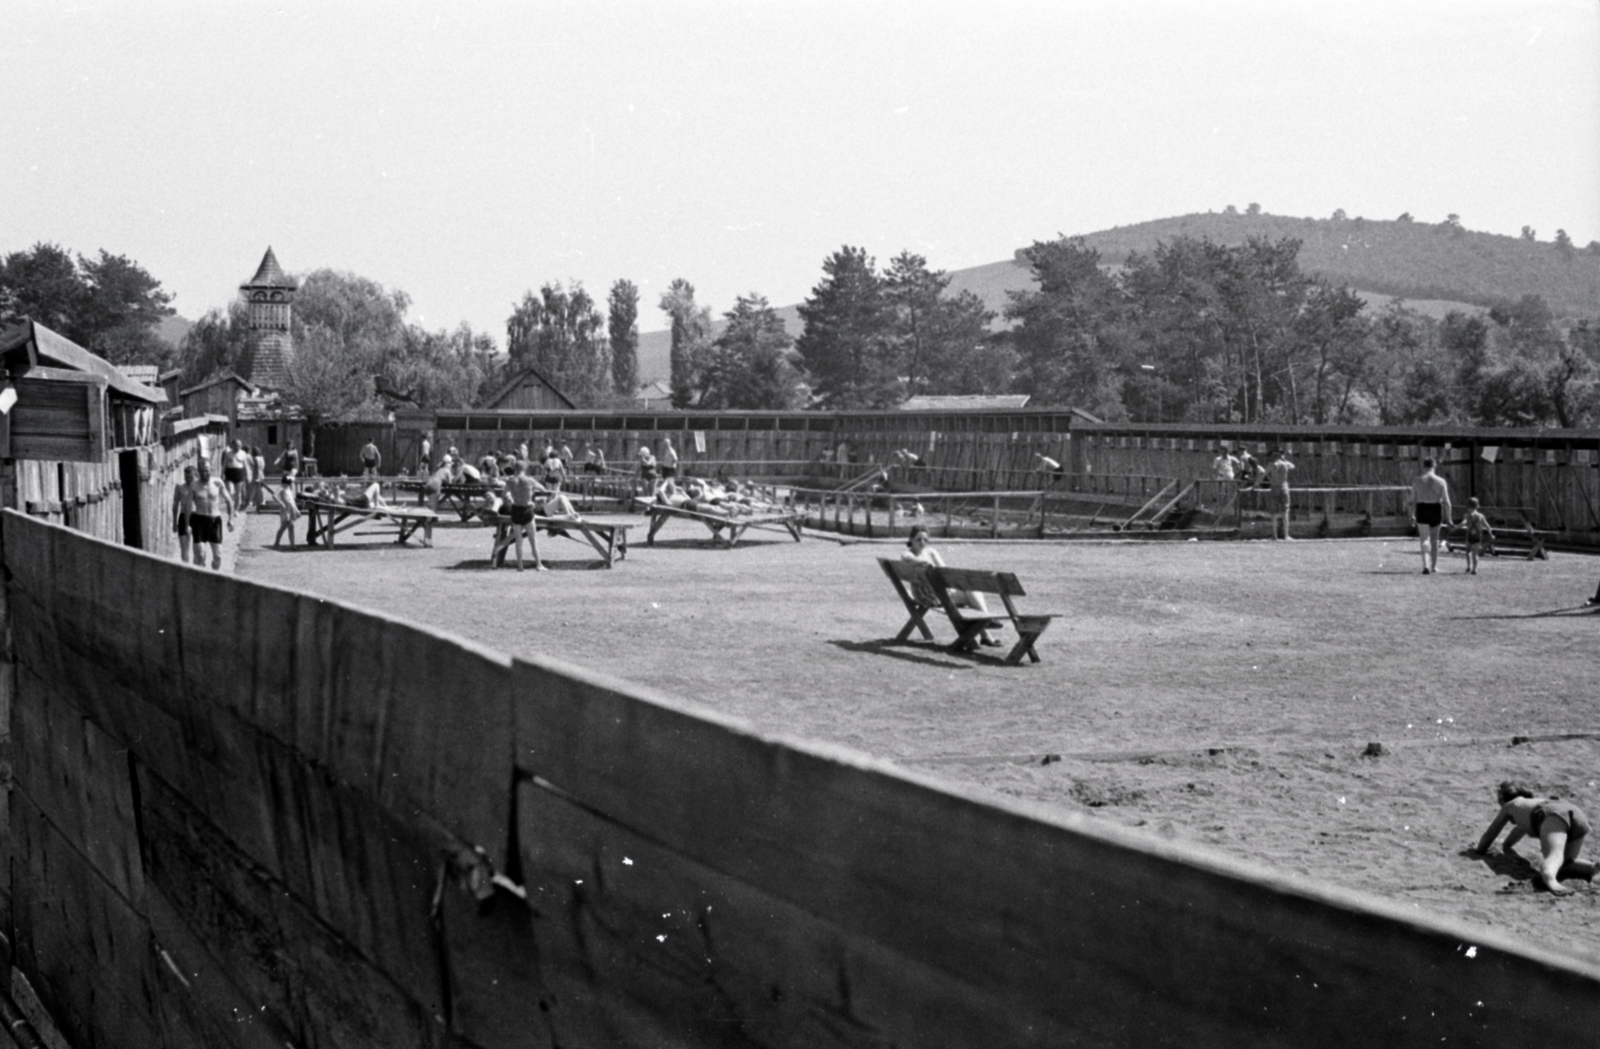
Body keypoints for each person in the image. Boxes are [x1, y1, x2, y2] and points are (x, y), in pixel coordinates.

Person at [1472, 781, 1598, 896]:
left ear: (1501, 798)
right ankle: (1593, 867)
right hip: (1576, 814)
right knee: (1564, 863)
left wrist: (1479, 850)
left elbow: (1490, 834)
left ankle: (1550, 879)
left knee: (1555, 855)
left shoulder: (1509, 806)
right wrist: (1506, 846)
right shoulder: (1527, 807)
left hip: (1551, 813)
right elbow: (1515, 834)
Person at [902, 524, 1000, 647]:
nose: (922, 542)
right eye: (919, 539)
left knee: (973, 591)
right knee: (972, 595)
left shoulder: (931, 552)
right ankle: (987, 621)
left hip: (938, 592)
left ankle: (986, 631)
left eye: (925, 539)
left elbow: (945, 571)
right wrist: (927, 563)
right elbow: (910, 559)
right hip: (926, 595)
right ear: (911, 539)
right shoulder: (907, 555)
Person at [1411, 456, 1453, 574]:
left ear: (1423, 466)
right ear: (1434, 466)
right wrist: (1449, 519)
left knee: (1424, 538)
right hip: (1435, 508)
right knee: (1435, 540)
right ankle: (1434, 566)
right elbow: (1447, 502)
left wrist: (1412, 514)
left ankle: (1426, 565)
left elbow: (1412, 500)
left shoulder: (1417, 481)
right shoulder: (1441, 481)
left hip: (1422, 508)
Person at [190, 459, 234, 570]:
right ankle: (200, 576)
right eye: (202, 471)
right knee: (200, 554)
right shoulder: (194, 486)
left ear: (211, 469)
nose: (205, 473)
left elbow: (229, 501)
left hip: (215, 522)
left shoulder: (217, 483)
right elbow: (187, 505)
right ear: (198, 472)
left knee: (218, 556)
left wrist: (230, 519)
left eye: (207, 470)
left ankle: (214, 576)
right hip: (199, 520)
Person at [1265, 449, 1295, 540]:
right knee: (1285, 512)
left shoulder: (1271, 465)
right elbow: (1293, 466)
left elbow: (1264, 475)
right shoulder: (1285, 464)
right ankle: (1286, 535)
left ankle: (1274, 535)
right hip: (1284, 487)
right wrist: (1284, 459)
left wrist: (1269, 479)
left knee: (1274, 513)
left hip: (1274, 487)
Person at [1461, 497, 1493, 575]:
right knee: (1475, 554)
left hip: (1469, 536)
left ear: (1468, 506)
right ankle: (1474, 569)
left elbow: (1463, 523)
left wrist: (1455, 527)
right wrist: (1491, 534)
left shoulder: (1466, 515)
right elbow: (1488, 526)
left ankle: (1468, 566)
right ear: (1477, 506)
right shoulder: (1481, 516)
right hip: (1477, 536)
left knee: (1467, 552)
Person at [171, 465, 196, 562]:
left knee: (198, 549)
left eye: (190, 477)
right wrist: (174, 522)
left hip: (196, 516)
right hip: (183, 517)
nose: (188, 479)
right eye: (186, 477)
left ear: (195, 475)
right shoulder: (180, 487)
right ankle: (186, 568)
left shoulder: (199, 487)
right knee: (184, 549)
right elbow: (175, 505)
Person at [274, 472, 300, 548]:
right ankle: (277, 543)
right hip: (285, 509)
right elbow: (274, 496)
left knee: (291, 526)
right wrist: (281, 503)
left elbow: (291, 499)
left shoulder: (288, 488)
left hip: (290, 508)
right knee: (284, 526)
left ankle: (292, 545)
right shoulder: (281, 487)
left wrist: (296, 509)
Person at [223, 440, 251, 509]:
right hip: (230, 472)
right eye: (236, 445)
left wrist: (248, 475)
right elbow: (224, 464)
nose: (237, 447)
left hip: (239, 473)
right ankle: (230, 507)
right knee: (230, 492)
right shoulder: (228, 453)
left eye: (239, 446)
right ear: (232, 445)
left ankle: (236, 510)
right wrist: (222, 474)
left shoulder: (243, 453)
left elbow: (246, 465)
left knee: (238, 494)